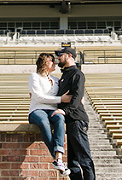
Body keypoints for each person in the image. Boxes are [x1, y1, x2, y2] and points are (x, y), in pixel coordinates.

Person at [28, 53, 73, 175]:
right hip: (37, 109)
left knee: (59, 118)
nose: (54, 63)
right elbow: (38, 97)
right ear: (44, 63)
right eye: (51, 60)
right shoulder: (34, 77)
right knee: (43, 122)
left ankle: (58, 158)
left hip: (52, 109)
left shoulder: (56, 80)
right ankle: (57, 157)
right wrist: (60, 99)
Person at [56, 47, 95, 180]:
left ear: (70, 56)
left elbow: (78, 97)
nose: (58, 57)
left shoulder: (77, 74)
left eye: (60, 54)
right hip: (70, 121)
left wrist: (65, 111)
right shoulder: (64, 75)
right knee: (72, 163)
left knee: (84, 160)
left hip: (77, 120)